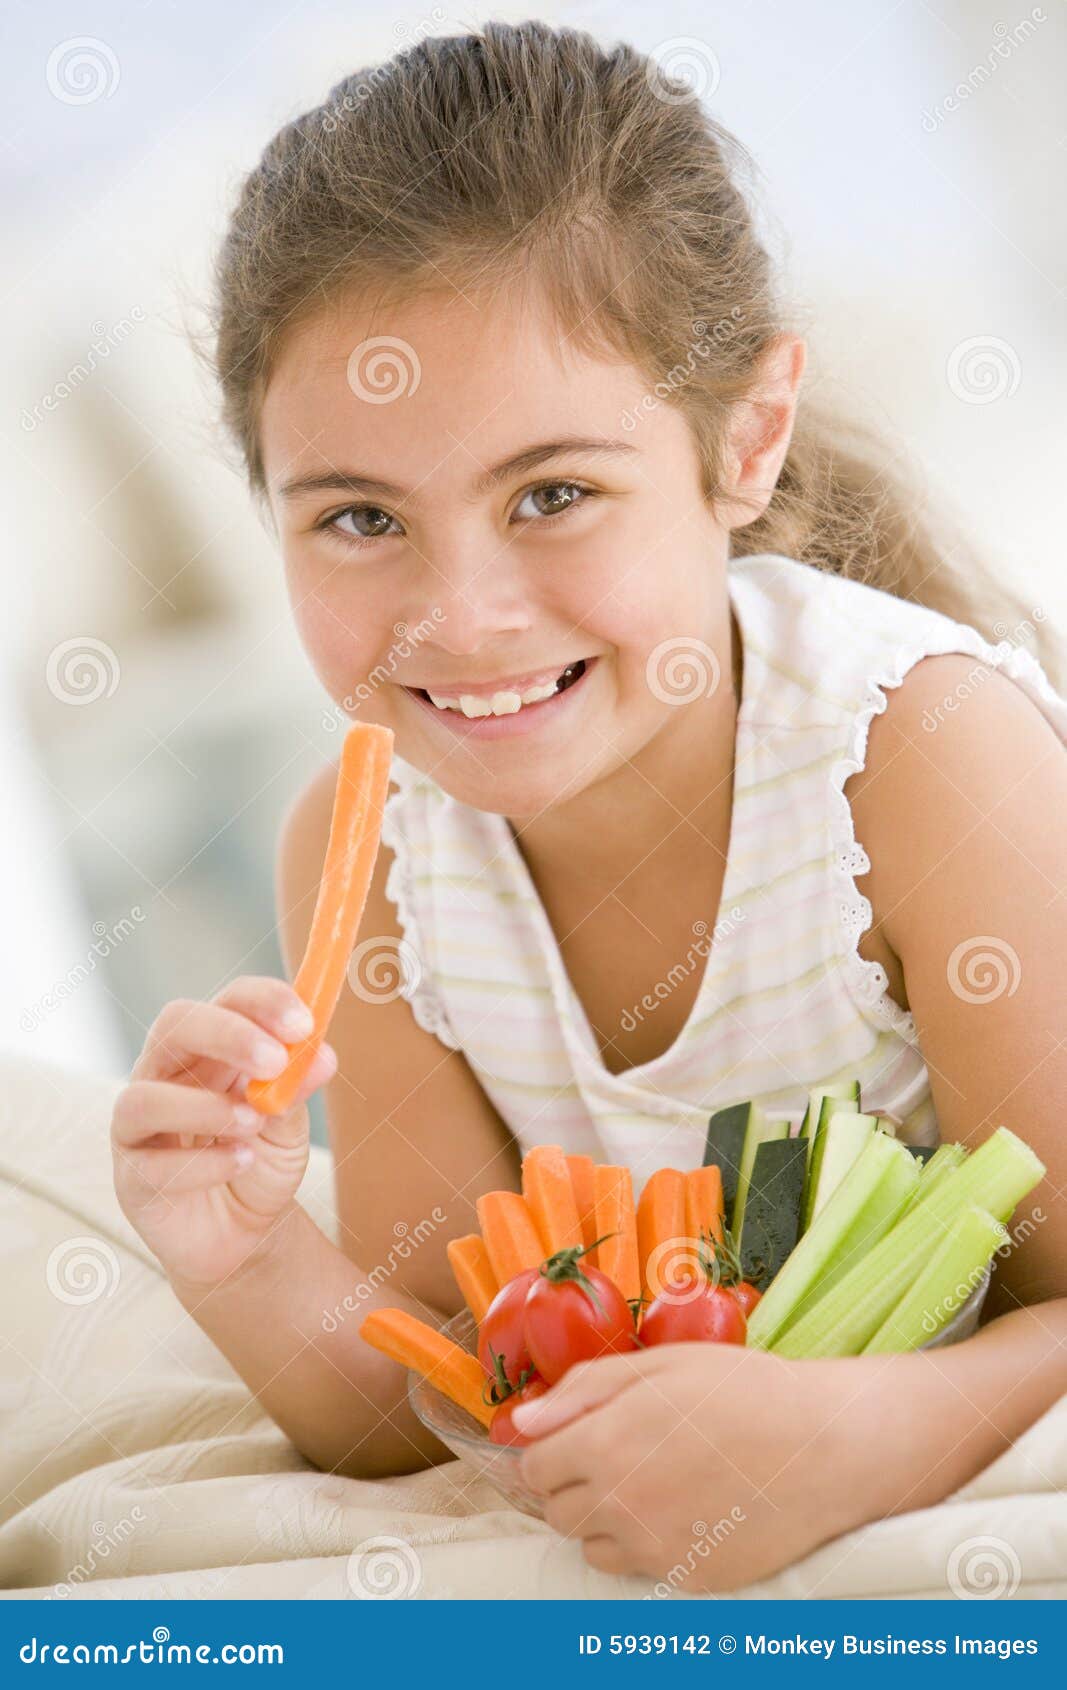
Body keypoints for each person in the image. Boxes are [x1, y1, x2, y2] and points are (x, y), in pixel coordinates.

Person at [111, 21, 1067, 1590]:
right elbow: (452, 1406)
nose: (462, 618)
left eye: (552, 494)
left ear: (743, 440)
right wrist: (252, 1260)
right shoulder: (382, 864)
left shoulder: (918, 753)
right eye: (359, 517)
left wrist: (857, 1437)